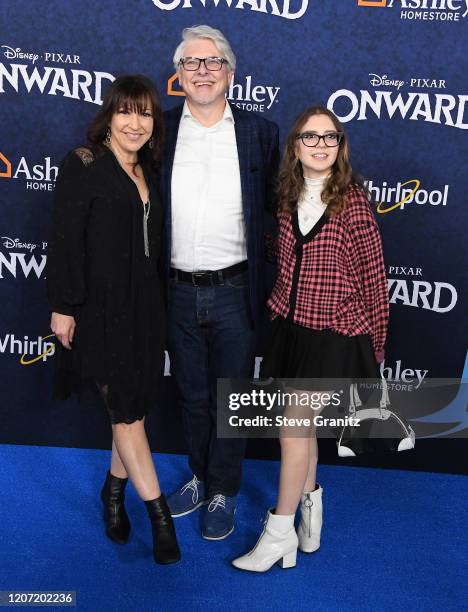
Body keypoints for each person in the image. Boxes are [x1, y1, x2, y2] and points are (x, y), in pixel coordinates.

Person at [232, 105, 389, 572]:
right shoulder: (286, 195)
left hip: (333, 334)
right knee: (302, 434)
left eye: (330, 138)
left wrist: (375, 348)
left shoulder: (354, 202)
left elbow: (373, 278)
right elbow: (277, 258)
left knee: (293, 430)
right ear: (295, 146)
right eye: (310, 137)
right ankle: (311, 518)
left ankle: (279, 532)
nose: (320, 146)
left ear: (340, 147)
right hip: (289, 327)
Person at [47, 75, 180, 565]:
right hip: (99, 312)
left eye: (145, 113)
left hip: (146, 309)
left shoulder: (149, 167)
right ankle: (159, 518)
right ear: (109, 116)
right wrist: (62, 306)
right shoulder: (84, 164)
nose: (135, 123)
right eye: (126, 111)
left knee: (135, 411)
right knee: (124, 414)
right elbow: (64, 240)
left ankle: (112, 493)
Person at [160, 25, 280, 540]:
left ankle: (223, 489)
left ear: (231, 73)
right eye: (192, 63)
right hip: (175, 289)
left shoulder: (261, 133)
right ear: (179, 75)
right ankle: (198, 475)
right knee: (191, 394)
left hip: (236, 289)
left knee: (234, 398)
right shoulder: (158, 132)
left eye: (213, 62)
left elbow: (281, 208)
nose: (203, 70)